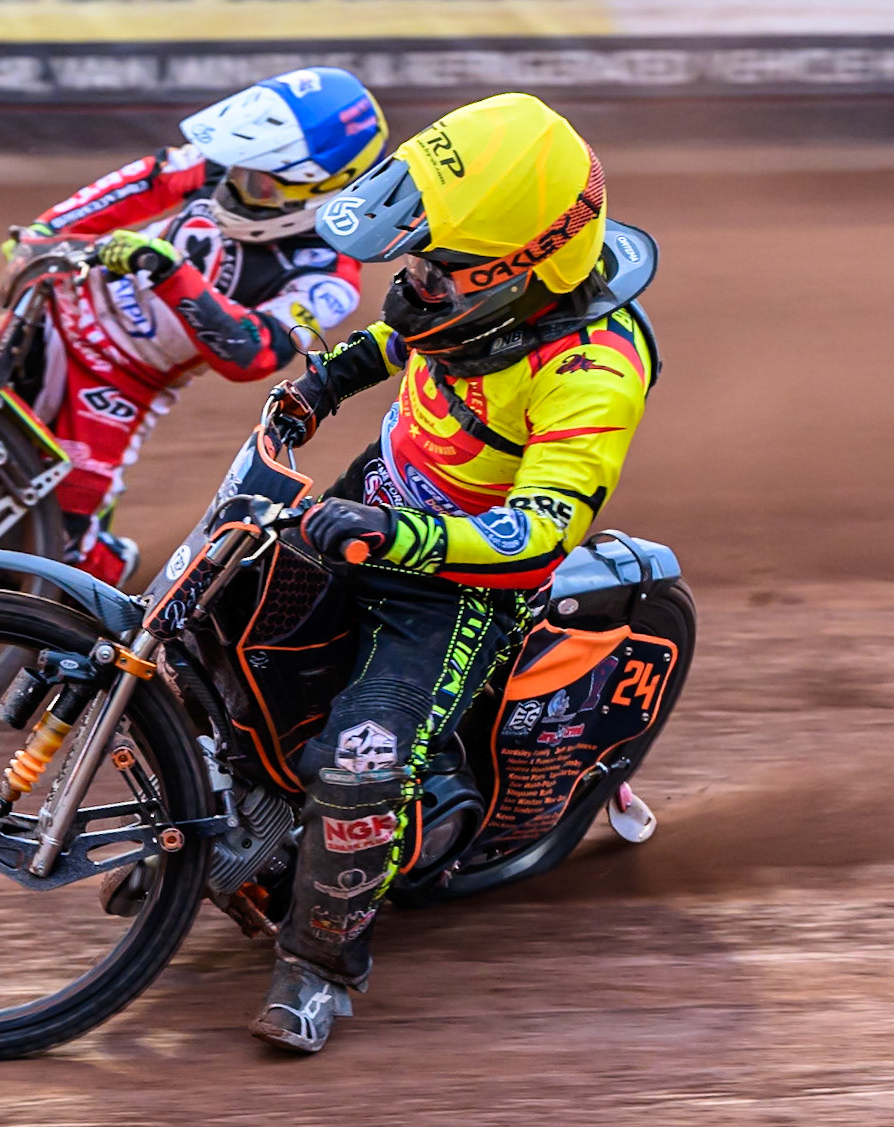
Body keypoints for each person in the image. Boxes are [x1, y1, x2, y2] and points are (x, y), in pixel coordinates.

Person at [251, 92, 662, 1052]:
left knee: (364, 762)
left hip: (462, 585)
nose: (416, 284)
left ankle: (317, 968)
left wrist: (409, 542)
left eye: (443, 270)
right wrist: (324, 381)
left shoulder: (596, 366)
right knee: (228, 629)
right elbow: (401, 334)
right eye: (421, 260)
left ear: (524, 270)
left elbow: (546, 527)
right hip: (374, 503)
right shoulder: (473, 295)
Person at [0, 66, 388, 584]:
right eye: (236, 170)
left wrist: (170, 274)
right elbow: (146, 180)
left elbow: (255, 355)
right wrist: (47, 232)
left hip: (120, 385)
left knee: (68, 548)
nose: (236, 186)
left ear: (319, 190)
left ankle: (113, 580)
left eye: (259, 183)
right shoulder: (221, 166)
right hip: (57, 308)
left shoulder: (328, 276)